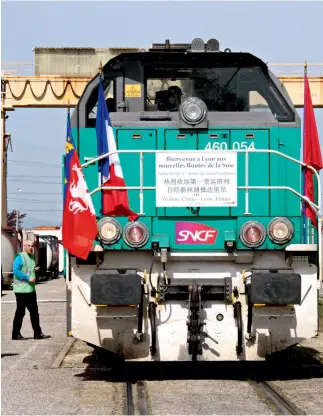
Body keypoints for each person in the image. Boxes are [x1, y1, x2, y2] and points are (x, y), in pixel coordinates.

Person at [11, 239, 51, 340]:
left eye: (32, 246)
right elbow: (15, 271)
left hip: (30, 289)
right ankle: (15, 334)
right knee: (21, 312)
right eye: (28, 245)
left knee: (34, 312)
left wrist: (35, 270)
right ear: (24, 246)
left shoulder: (32, 258)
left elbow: (29, 270)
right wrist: (28, 278)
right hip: (21, 290)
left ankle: (37, 333)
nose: (31, 248)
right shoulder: (20, 257)